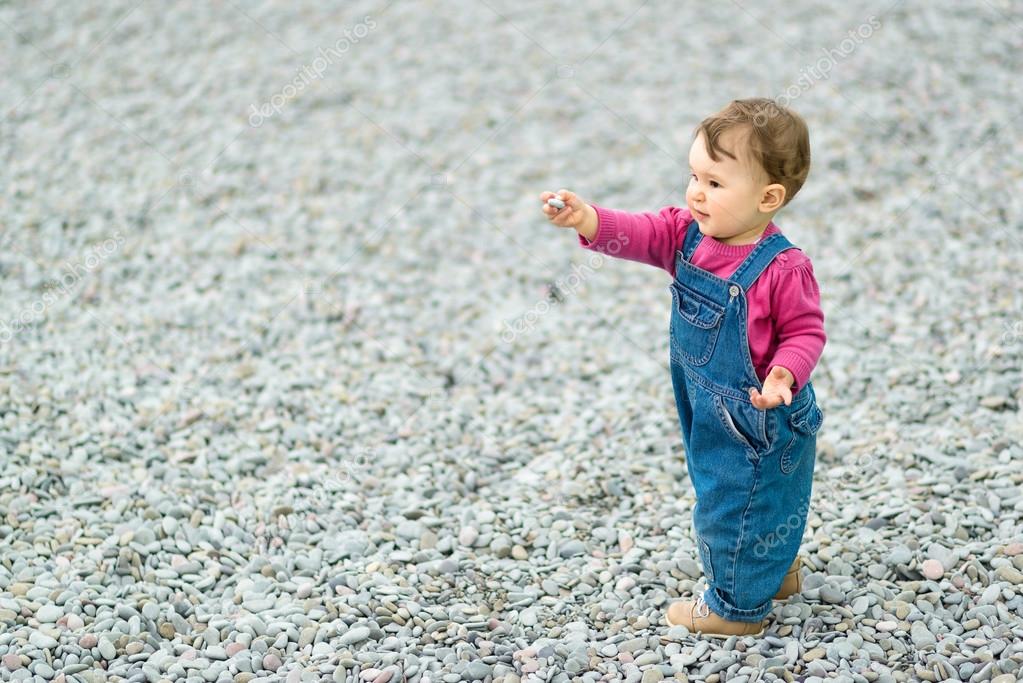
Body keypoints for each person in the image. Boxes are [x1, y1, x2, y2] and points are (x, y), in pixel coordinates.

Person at [539, 97, 826, 637]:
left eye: (715, 183)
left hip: (762, 410)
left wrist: (785, 372)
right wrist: (588, 218)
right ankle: (775, 571)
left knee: (732, 499)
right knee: (757, 492)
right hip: (704, 401)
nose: (696, 191)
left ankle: (736, 608)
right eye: (694, 175)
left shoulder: (783, 268)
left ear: (768, 197)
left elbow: (806, 331)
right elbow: (638, 231)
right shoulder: (685, 234)